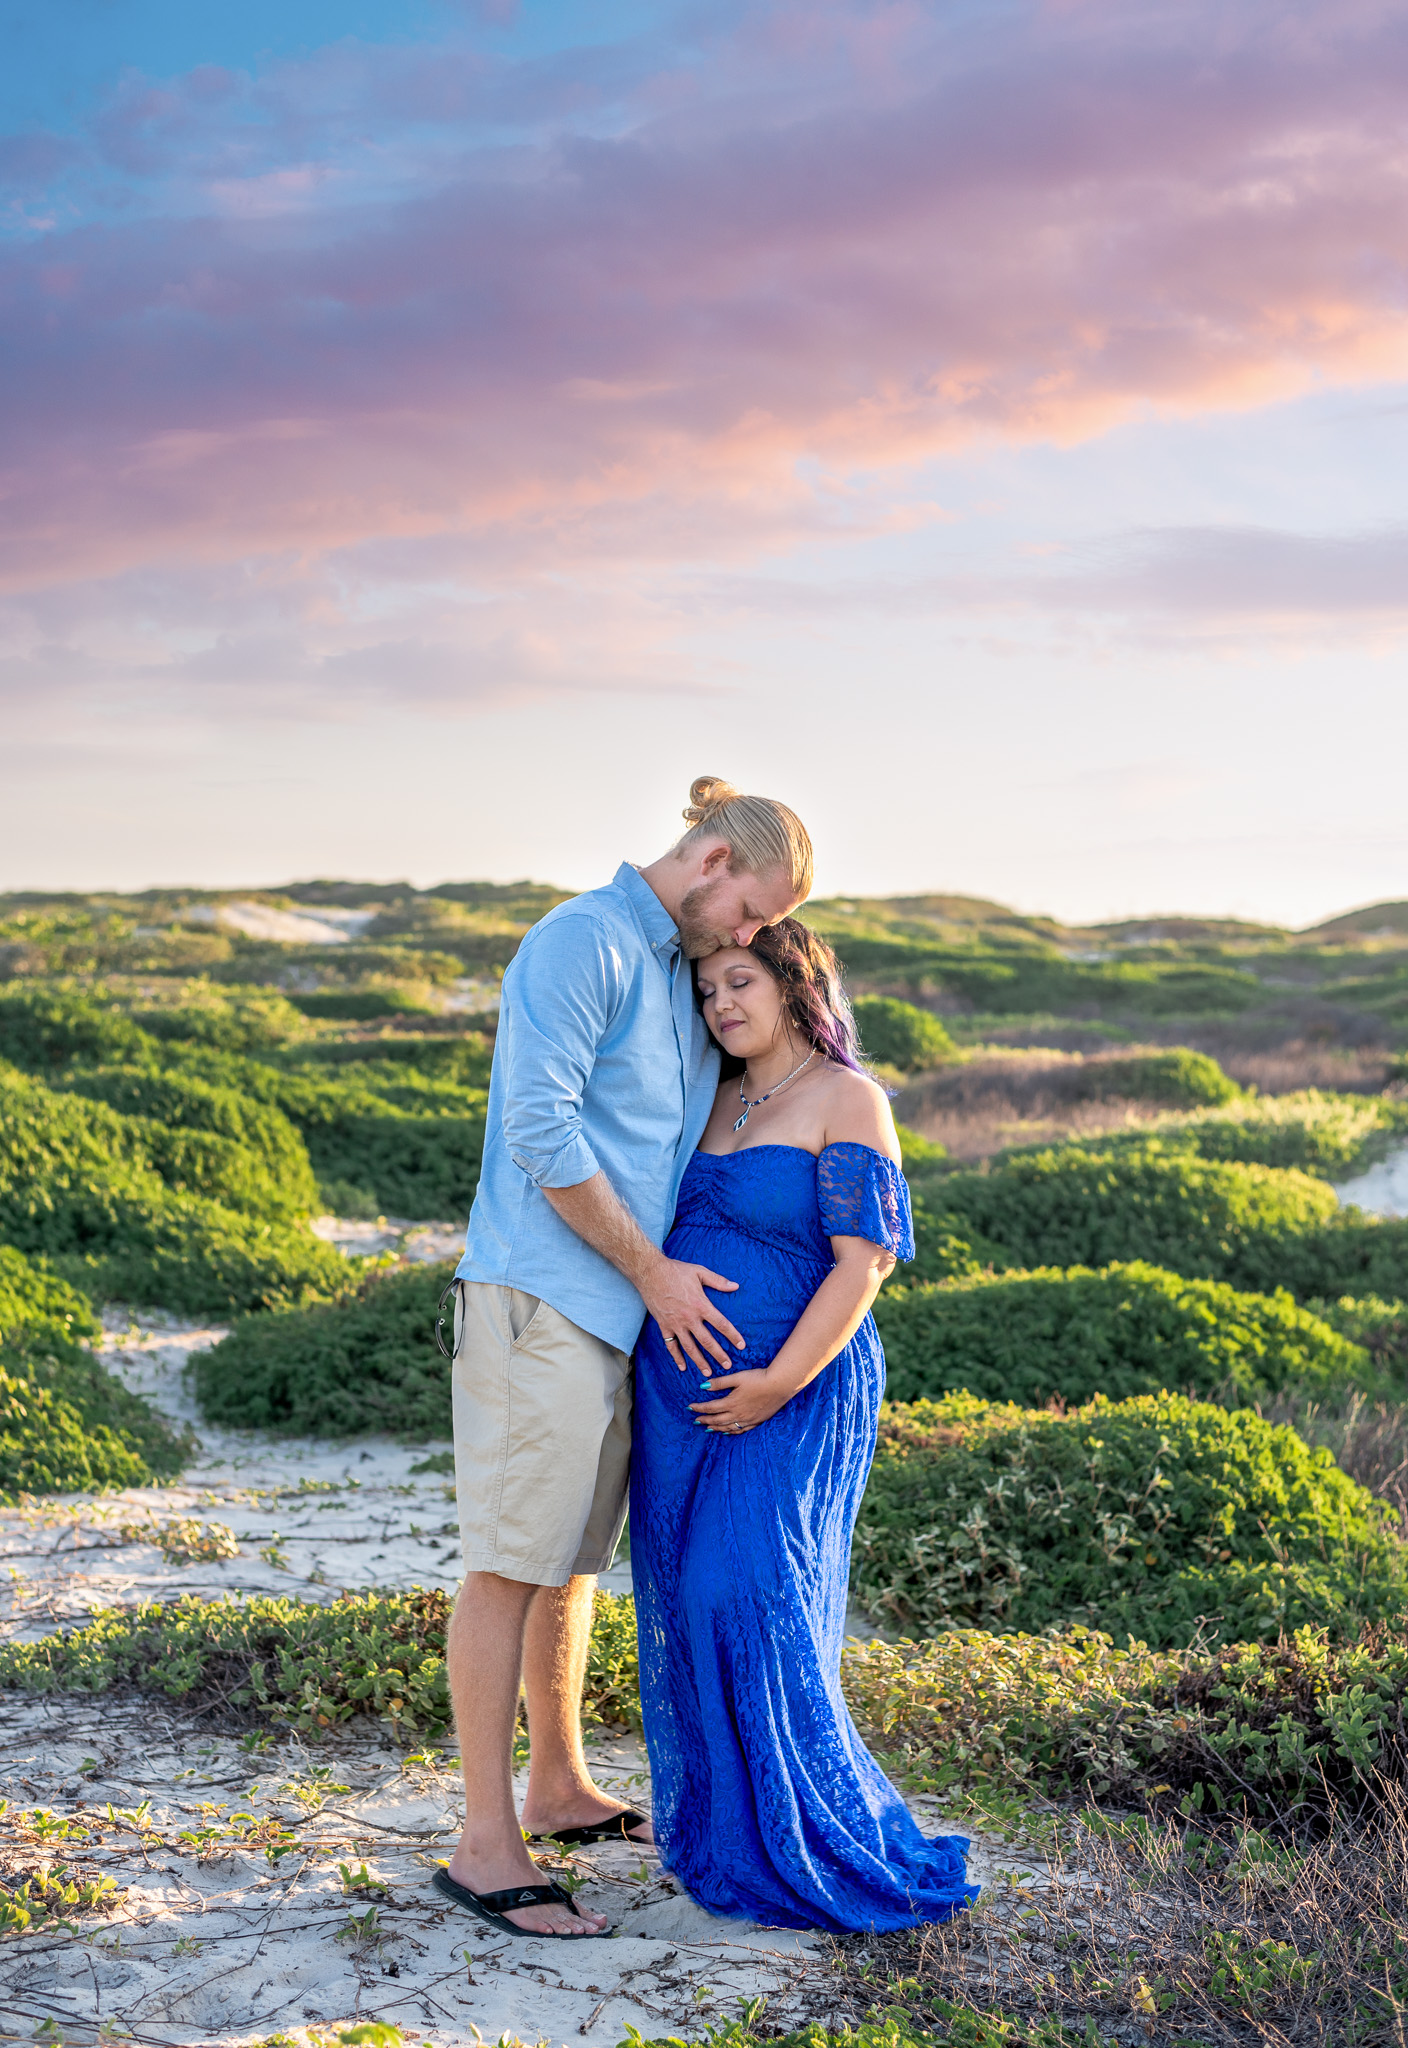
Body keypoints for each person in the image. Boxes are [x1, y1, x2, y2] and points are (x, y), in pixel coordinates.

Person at [434, 776, 812, 1939]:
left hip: (611, 1318)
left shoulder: (670, 971)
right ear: (708, 861)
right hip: (539, 1297)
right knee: (510, 1561)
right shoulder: (581, 942)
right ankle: (483, 1844)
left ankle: (557, 1782)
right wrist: (653, 1271)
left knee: (573, 1560)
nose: (750, 936)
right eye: (753, 911)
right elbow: (536, 1128)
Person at [630, 918, 978, 1932]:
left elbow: (863, 1260)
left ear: (793, 982)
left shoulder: (847, 1095)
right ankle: (729, 1838)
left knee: (742, 1588)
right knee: (683, 1601)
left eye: (739, 981)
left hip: (796, 1391)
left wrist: (777, 1381)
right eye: (705, 991)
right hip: (682, 1399)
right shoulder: (711, 1094)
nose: (721, 1005)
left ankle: (815, 1830)